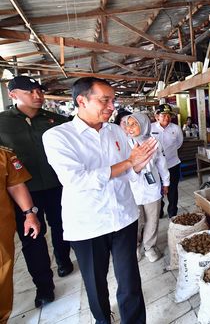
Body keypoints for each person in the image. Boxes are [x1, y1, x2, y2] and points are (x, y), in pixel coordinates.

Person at [43, 77, 157, 323]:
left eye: (113, 101)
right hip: (89, 224)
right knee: (95, 284)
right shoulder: (58, 137)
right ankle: (103, 320)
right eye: (105, 100)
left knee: (129, 280)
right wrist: (128, 162)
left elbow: (128, 171)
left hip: (124, 217)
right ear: (81, 100)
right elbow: (76, 180)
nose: (111, 107)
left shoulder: (115, 131)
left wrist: (137, 166)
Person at [0, 75, 73, 308]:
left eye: (39, 91)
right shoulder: (2, 123)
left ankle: (63, 260)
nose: (37, 95)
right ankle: (44, 286)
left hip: (57, 186)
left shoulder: (57, 120)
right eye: (30, 91)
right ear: (13, 95)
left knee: (62, 225)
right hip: (22, 192)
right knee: (33, 238)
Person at [0, 145, 41, 322]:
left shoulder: (3, 155)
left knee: (2, 273)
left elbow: (16, 185)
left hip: (1, 229)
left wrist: (29, 214)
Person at [126, 113, 170, 262]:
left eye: (134, 124)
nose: (129, 128)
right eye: (128, 124)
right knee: (136, 221)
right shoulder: (125, 144)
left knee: (152, 220)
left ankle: (149, 247)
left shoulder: (154, 142)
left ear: (144, 124)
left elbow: (162, 165)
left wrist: (166, 183)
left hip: (152, 188)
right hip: (132, 189)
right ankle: (135, 247)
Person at [151, 104, 184, 218]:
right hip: (155, 166)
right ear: (157, 117)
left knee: (173, 190)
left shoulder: (176, 128)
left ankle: (172, 213)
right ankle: (159, 212)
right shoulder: (150, 128)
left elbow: (179, 144)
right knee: (157, 190)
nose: (167, 117)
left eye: (169, 115)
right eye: (163, 115)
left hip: (173, 164)